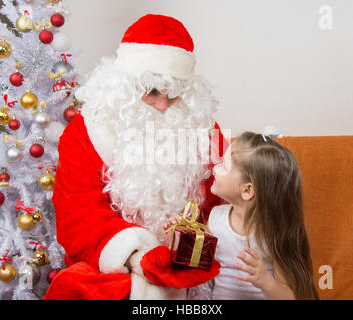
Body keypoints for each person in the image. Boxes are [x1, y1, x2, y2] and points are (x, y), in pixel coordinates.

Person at [43, 14, 229, 300]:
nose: (164, 105)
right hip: (114, 265)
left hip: (188, 265)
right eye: (152, 92)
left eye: (175, 94)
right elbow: (79, 215)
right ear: (126, 85)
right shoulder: (87, 132)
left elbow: (223, 205)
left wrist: (189, 246)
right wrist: (135, 256)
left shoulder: (204, 130)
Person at [165, 131, 319, 300]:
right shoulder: (216, 218)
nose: (215, 168)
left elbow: (291, 297)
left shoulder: (274, 233)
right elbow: (200, 266)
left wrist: (265, 282)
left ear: (246, 190)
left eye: (224, 166)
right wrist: (181, 237)